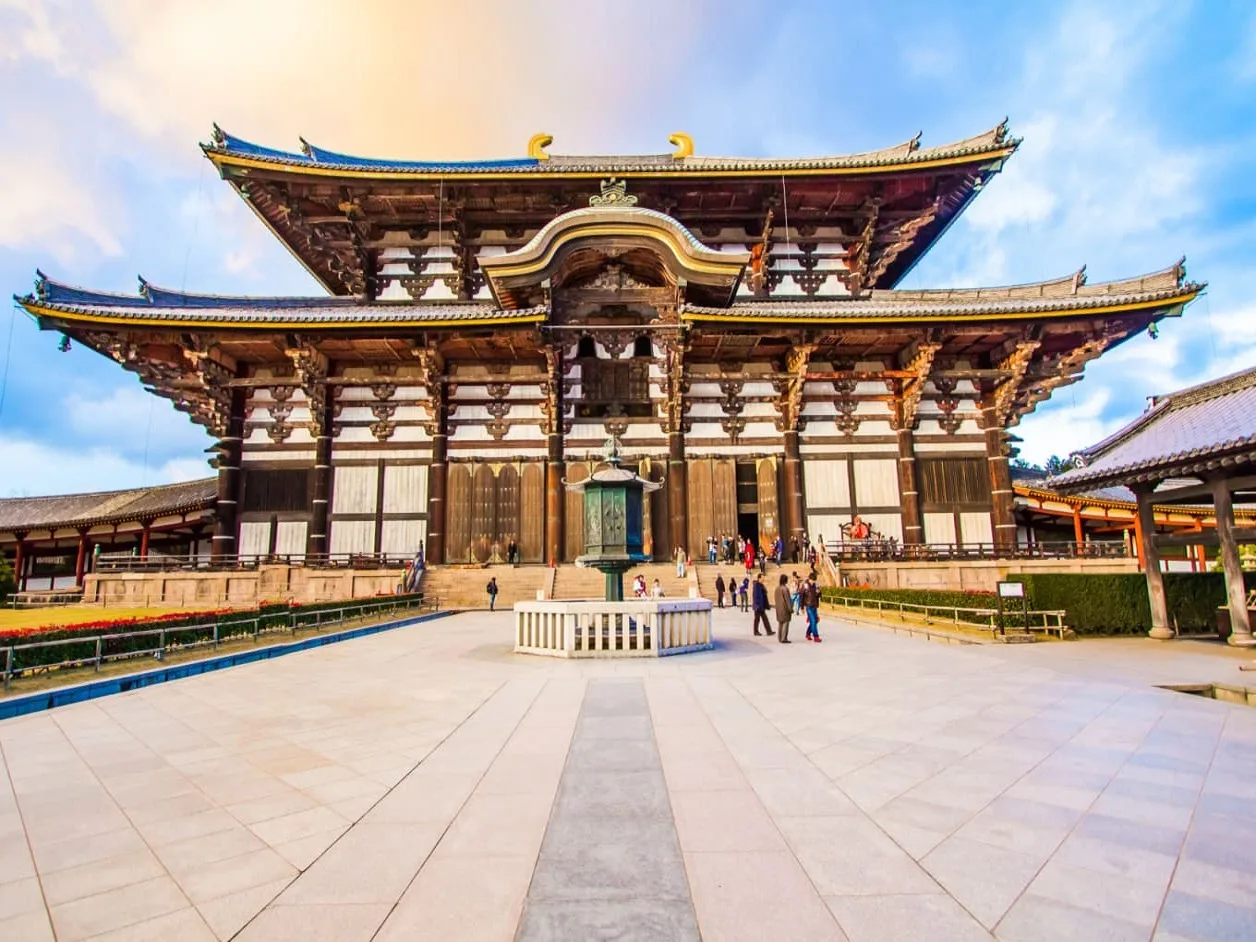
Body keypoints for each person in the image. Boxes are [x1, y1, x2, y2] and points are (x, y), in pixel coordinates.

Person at [773, 574, 793, 643]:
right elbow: (788, 600)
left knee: (780, 623)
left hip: (778, 608)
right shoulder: (785, 589)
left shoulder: (777, 588)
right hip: (785, 608)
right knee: (785, 622)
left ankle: (779, 637)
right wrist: (790, 608)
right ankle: (784, 638)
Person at [803, 576, 822, 642]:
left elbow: (820, 595)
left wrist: (818, 592)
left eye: (814, 580)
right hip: (809, 606)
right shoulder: (805, 586)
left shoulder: (816, 585)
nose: (813, 582)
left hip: (815, 606)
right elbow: (801, 595)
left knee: (815, 621)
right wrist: (802, 607)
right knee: (813, 621)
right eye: (812, 580)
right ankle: (816, 636)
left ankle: (808, 633)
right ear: (809, 579)